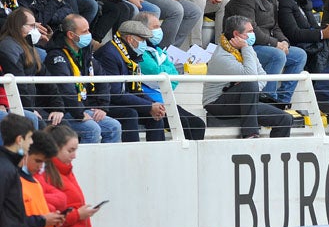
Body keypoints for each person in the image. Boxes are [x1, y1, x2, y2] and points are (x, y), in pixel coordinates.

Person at [226, 0, 308, 103]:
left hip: (267, 44)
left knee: (299, 55)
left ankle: (283, 101)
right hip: (244, 46)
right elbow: (249, 30)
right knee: (277, 55)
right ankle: (268, 100)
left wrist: (284, 42)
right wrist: (275, 44)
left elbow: (275, 26)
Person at [204, 15, 293, 139]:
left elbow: (262, 76)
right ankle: (250, 133)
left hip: (245, 100)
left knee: (285, 119)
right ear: (236, 34)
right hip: (217, 103)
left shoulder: (246, 50)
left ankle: (276, 154)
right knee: (249, 83)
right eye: (250, 31)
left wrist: (250, 88)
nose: (253, 34)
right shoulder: (222, 56)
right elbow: (251, 77)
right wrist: (246, 49)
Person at [41, 14, 123, 144]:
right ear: (71, 35)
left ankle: (106, 164)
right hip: (65, 110)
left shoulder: (84, 52)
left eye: (88, 30)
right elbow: (65, 89)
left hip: (85, 107)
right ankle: (85, 164)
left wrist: (102, 107)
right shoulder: (56, 56)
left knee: (114, 127)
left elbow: (102, 79)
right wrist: (79, 113)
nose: (89, 34)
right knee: (92, 129)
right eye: (84, 31)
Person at [133, 12, 207, 141]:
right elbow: (156, 72)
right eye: (155, 27)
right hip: (150, 101)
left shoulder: (158, 50)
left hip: (165, 99)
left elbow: (173, 78)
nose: (159, 30)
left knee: (198, 124)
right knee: (184, 123)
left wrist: (165, 73)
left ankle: (193, 159)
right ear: (143, 30)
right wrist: (166, 72)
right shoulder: (140, 52)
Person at [92, 20, 167, 143]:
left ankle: (155, 157)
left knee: (156, 116)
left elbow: (136, 90)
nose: (144, 44)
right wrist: (149, 106)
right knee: (130, 114)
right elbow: (115, 94)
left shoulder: (130, 55)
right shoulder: (109, 54)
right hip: (102, 103)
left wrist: (154, 104)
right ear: (130, 39)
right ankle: (133, 155)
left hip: (120, 100)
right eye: (142, 40)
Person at [36, 125, 99, 227]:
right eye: (70, 150)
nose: (74, 156)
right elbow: (48, 216)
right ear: (55, 148)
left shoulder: (67, 172)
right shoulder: (45, 176)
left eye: (75, 150)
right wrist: (78, 215)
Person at [0, 113, 32, 227]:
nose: (30, 145)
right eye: (29, 140)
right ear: (20, 139)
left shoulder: (9, 167)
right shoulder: (6, 169)